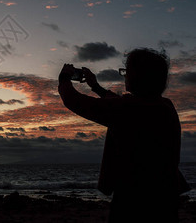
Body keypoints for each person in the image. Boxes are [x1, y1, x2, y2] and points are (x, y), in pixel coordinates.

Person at [58, 48, 190, 223]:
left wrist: (64, 79)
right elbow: (120, 105)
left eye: (127, 72)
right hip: (165, 194)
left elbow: (75, 101)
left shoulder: (130, 109)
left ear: (138, 76)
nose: (125, 76)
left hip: (134, 196)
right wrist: (96, 87)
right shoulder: (165, 105)